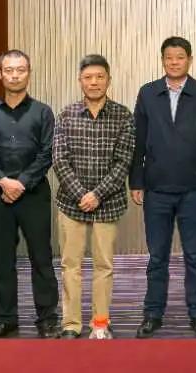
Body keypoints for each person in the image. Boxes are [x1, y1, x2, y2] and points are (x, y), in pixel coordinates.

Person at [130, 36, 196, 338]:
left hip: (193, 187)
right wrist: (136, 180)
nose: (174, 62)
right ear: (162, 60)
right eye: (169, 57)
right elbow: (138, 141)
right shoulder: (148, 93)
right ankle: (152, 313)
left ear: (189, 60)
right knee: (157, 257)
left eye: (180, 57)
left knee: (195, 255)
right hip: (156, 188)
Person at [0, 50, 59, 338]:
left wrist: (20, 183)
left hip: (33, 194)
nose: (14, 75)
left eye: (20, 70)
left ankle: (47, 318)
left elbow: (47, 153)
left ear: (28, 73)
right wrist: (3, 182)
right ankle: (5, 318)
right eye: (8, 70)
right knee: (2, 260)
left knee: (41, 258)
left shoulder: (43, 112)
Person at [53, 54, 136, 339]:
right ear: (80, 81)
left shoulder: (123, 115)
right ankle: (71, 324)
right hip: (71, 203)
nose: (94, 82)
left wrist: (97, 194)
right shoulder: (66, 115)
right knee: (70, 265)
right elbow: (59, 160)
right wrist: (81, 194)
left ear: (108, 80)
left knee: (104, 266)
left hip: (108, 203)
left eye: (100, 77)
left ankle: (100, 323)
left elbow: (123, 162)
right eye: (88, 77)